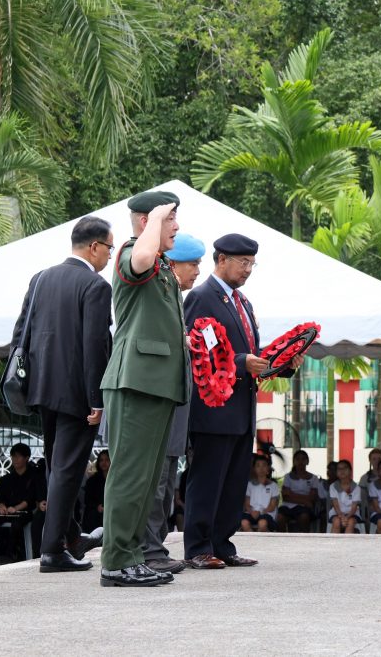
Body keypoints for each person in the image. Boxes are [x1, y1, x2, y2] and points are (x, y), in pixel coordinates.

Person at [182, 233, 302, 569]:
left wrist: (283, 363)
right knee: (207, 480)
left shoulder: (244, 303)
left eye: (252, 264)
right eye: (242, 263)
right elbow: (197, 353)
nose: (248, 269)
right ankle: (198, 548)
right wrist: (238, 363)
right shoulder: (201, 297)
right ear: (221, 260)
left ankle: (222, 543)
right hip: (212, 408)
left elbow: (254, 356)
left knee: (234, 481)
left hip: (242, 408)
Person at [10, 216, 113, 573]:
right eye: (109, 249)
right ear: (95, 247)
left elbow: (21, 331)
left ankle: (71, 537)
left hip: (42, 388)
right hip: (77, 394)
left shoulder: (41, 279)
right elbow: (94, 347)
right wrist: (96, 399)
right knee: (67, 471)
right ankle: (52, 550)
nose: (110, 257)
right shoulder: (95, 286)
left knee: (58, 465)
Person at [99, 191, 186, 588]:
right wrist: (154, 221)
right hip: (134, 381)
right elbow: (141, 261)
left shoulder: (163, 265)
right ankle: (116, 560)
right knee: (131, 476)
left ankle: (132, 554)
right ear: (146, 221)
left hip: (155, 383)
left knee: (147, 480)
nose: (176, 227)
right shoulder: (133, 253)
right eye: (170, 220)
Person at [142, 232, 205, 575]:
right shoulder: (161, 296)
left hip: (176, 406)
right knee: (157, 483)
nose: (197, 271)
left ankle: (156, 544)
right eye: (192, 264)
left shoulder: (176, 300)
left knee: (166, 483)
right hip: (161, 406)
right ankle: (150, 548)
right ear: (171, 264)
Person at [0, 443, 44, 559]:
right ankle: (3, 548)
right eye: (13, 456)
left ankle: (14, 551)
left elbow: (31, 498)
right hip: (7, 512)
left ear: (26, 458)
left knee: (17, 525)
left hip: (26, 513)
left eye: (18, 456)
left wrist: (15, 508)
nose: (15, 459)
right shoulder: (6, 479)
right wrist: (2, 506)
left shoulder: (34, 477)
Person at [278, 450, 320, 532]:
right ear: (294, 461)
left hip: (304, 508)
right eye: (297, 459)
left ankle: (304, 541)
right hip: (288, 507)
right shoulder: (288, 477)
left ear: (307, 461)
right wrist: (305, 501)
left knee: (304, 517)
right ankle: (282, 541)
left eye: (303, 459)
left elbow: (312, 498)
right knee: (279, 517)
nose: (300, 462)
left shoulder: (314, 478)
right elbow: (285, 497)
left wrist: (292, 494)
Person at [241, 455, 280, 532]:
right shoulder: (249, 485)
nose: (261, 468)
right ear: (254, 469)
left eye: (264, 465)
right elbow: (247, 504)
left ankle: (261, 543)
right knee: (244, 523)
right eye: (258, 465)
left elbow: (272, 506)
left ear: (268, 469)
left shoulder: (273, 486)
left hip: (267, 514)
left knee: (262, 523)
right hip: (251, 513)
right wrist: (252, 512)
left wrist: (260, 512)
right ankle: (253, 542)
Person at [328, 460, 361, 534]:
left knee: (351, 522)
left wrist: (347, 517)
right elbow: (335, 504)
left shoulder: (356, 487)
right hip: (337, 513)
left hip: (352, 514)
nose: (342, 471)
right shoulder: (333, 486)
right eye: (339, 469)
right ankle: (333, 544)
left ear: (350, 471)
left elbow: (354, 507)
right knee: (336, 522)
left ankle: (346, 544)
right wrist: (341, 516)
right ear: (336, 472)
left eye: (345, 468)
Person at [83, 451, 109, 533]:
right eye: (101, 460)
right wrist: (97, 507)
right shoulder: (92, 481)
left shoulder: (116, 480)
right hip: (96, 514)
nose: (104, 463)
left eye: (107, 460)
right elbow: (87, 500)